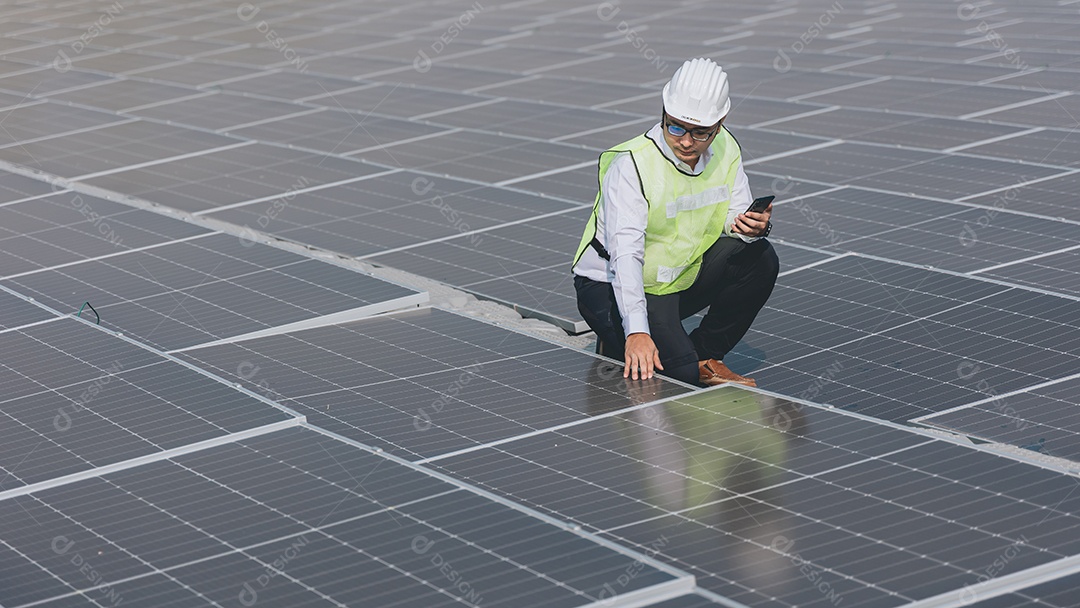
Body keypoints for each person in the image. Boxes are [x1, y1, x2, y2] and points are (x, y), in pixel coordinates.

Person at [572, 57, 778, 387]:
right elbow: (626, 253)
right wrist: (637, 331)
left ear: (721, 122)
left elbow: (730, 218)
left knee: (760, 257)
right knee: (677, 378)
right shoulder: (633, 165)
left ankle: (704, 355)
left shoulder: (726, 148)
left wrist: (752, 227)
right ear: (664, 111)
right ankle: (619, 338)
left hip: (672, 281)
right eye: (676, 126)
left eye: (700, 132)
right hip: (610, 286)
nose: (685, 141)